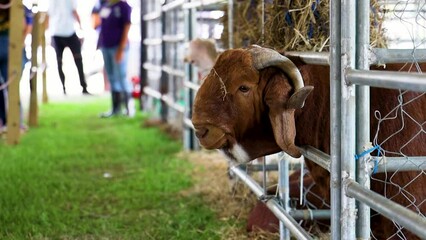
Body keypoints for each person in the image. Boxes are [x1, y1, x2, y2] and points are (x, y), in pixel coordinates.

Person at [0, 1, 33, 133]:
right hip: (12, 48)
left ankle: (14, 123)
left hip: (12, 48)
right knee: (11, 87)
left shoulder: (19, 6)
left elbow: (26, 26)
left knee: (12, 86)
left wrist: (20, 42)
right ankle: (11, 123)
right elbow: (26, 26)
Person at [97, 0, 133, 117]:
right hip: (106, 46)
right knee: (111, 77)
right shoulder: (105, 6)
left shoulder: (123, 6)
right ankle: (115, 109)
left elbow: (127, 26)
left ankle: (129, 108)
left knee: (121, 76)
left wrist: (121, 49)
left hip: (119, 46)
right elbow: (99, 25)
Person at [46, 0, 89, 95]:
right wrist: (81, 27)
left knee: (63, 61)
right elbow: (74, 12)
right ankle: (77, 87)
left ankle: (71, 88)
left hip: (61, 31)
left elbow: (48, 16)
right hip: (62, 31)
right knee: (73, 60)